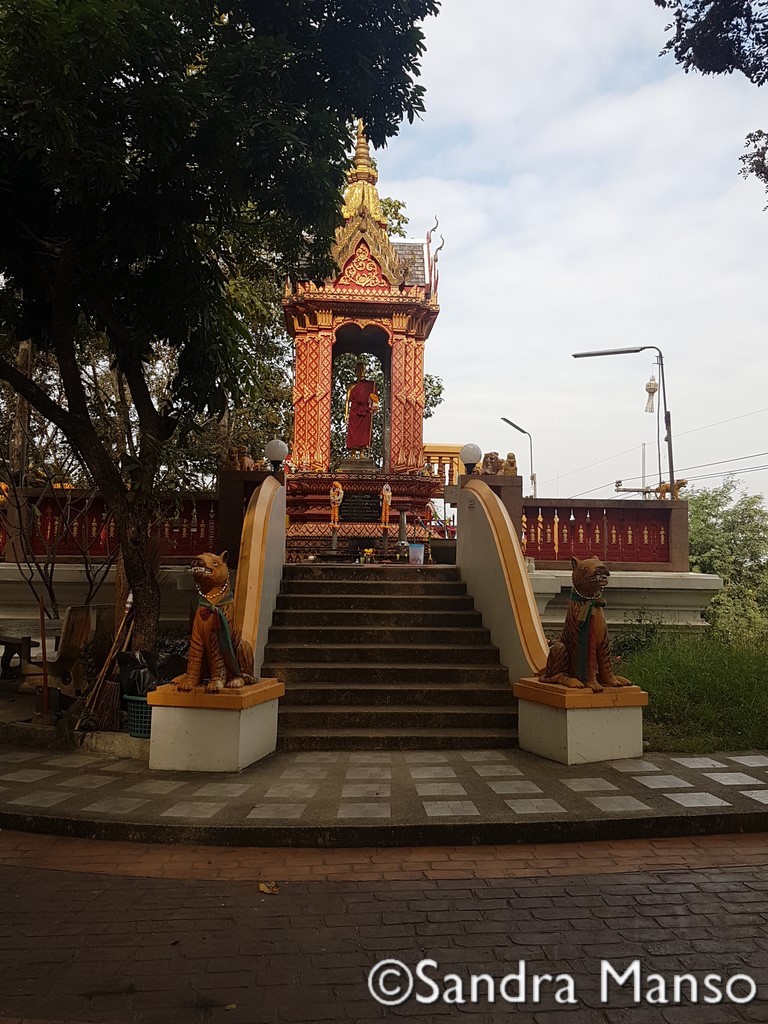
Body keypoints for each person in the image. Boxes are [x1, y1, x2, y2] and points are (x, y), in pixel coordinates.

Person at [344, 362, 379, 456]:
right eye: (359, 369)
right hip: (354, 411)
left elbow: (375, 399)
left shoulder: (370, 385)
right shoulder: (352, 385)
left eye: (363, 369)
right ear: (355, 371)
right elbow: (347, 401)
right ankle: (353, 453)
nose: (361, 372)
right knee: (353, 433)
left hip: (365, 411)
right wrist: (346, 414)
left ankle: (363, 452)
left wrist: (374, 405)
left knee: (363, 434)